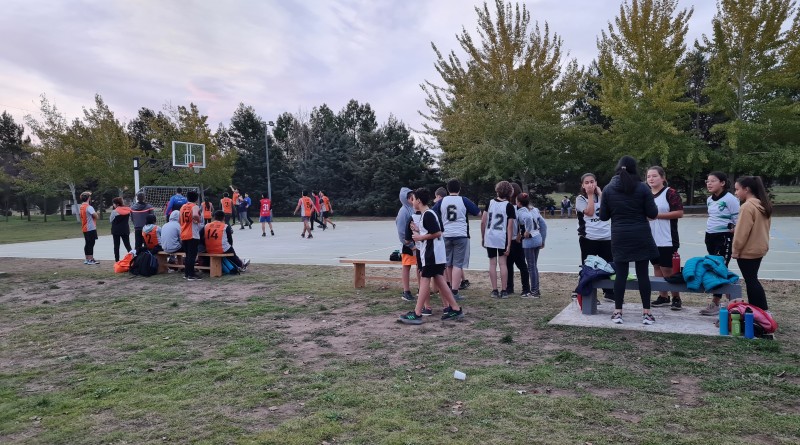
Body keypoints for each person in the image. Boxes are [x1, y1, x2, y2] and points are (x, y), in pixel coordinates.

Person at [599, 156, 659, 325]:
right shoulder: (643, 188)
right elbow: (653, 213)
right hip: (641, 234)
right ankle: (647, 313)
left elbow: (603, 216)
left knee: (621, 274)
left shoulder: (608, 189)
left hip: (619, 235)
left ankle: (618, 312)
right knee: (643, 274)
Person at [398, 188, 464, 324]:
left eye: (414, 199)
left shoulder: (428, 214)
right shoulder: (429, 214)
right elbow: (435, 230)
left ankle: (417, 313)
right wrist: (418, 230)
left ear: (419, 201)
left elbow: (438, 232)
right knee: (441, 281)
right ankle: (456, 309)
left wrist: (420, 237)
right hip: (437, 255)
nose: (412, 202)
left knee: (424, 281)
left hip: (431, 254)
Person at [432, 179, 481, 301]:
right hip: (460, 234)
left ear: (448, 189)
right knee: (458, 264)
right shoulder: (463, 200)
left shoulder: (442, 201)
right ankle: (454, 291)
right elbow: (478, 212)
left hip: (446, 234)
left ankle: (449, 288)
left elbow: (432, 213)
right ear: (459, 189)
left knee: (448, 263)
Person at [699, 171, 740, 316]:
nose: (709, 183)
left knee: (720, 268)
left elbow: (738, 221)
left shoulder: (731, 199)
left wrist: (733, 232)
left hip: (724, 237)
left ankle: (716, 303)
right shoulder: (709, 199)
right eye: (707, 181)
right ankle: (733, 300)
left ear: (722, 183)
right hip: (710, 236)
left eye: (713, 181)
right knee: (714, 267)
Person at [647, 166, 685, 310]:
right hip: (651, 238)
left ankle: (676, 297)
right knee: (656, 266)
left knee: (668, 269)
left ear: (663, 178)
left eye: (654, 176)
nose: (651, 179)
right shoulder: (646, 194)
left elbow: (679, 213)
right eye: (648, 176)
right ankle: (663, 296)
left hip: (667, 238)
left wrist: (656, 215)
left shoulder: (670, 193)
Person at [732, 176, 772, 312]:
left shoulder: (747, 206)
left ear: (746, 189)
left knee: (751, 281)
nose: (736, 193)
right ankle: (760, 310)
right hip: (759, 248)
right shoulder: (762, 204)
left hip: (748, 250)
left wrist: (736, 250)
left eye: (737, 189)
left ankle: (759, 311)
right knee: (752, 279)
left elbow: (742, 233)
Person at [575, 173, 614, 301]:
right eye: (586, 182)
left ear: (596, 183)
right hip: (589, 238)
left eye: (592, 181)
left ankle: (609, 292)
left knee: (608, 266)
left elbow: (611, 209)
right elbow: (590, 212)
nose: (590, 184)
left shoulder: (602, 196)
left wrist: (601, 193)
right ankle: (588, 294)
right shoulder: (580, 199)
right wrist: (590, 195)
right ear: (582, 185)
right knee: (589, 268)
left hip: (606, 237)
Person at [481, 180, 516, 298]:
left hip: (490, 236)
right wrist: (509, 244)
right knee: (503, 263)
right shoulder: (509, 206)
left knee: (492, 263)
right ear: (510, 192)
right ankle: (504, 290)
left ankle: (494, 290)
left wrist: (483, 237)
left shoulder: (490, 203)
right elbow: (510, 227)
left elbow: (483, 221)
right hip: (502, 237)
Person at [517, 192, 547, 298]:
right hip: (538, 238)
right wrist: (543, 239)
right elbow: (544, 225)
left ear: (518, 202)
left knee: (531, 266)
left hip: (529, 241)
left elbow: (528, 219)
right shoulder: (535, 210)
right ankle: (536, 289)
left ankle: (534, 291)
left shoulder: (521, 212)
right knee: (534, 265)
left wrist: (527, 231)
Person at [506, 183, 530, 296]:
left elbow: (524, 223)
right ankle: (513, 287)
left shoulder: (518, 208)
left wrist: (520, 234)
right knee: (511, 265)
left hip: (514, 239)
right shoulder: (509, 206)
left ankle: (524, 288)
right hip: (511, 239)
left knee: (519, 265)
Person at [396, 187, 417, 302]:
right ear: (407, 199)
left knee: (420, 266)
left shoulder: (413, 208)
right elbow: (401, 232)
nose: (414, 199)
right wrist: (410, 245)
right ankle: (406, 291)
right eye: (411, 198)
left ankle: (421, 289)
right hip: (408, 244)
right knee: (407, 266)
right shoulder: (403, 212)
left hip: (417, 242)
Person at [179, 190, 203, 281]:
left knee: (187, 255)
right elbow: (196, 215)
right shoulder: (194, 206)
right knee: (192, 256)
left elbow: (179, 220)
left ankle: (187, 273)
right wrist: (198, 220)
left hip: (183, 233)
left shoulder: (182, 207)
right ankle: (191, 274)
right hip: (192, 234)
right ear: (196, 199)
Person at [79, 191, 100, 265]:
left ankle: (87, 259)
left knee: (87, 243)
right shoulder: (89, 207)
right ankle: (90, 259)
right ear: (89, 198)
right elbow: (96, 216)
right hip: (90, 227)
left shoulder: (82, 206)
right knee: (91, 243)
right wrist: (96, 213)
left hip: (85, 227)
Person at [109, 197, 133, 262]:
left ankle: (117, 260)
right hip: (125, 229)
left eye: (114, 204)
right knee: (127, 245)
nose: (113, 205)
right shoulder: (128, 210)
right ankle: (133, 258)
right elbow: (131, 219)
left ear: (117, 204)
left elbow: (111, 220)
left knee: (116, 246)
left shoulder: (114, 211)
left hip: (116, 230)